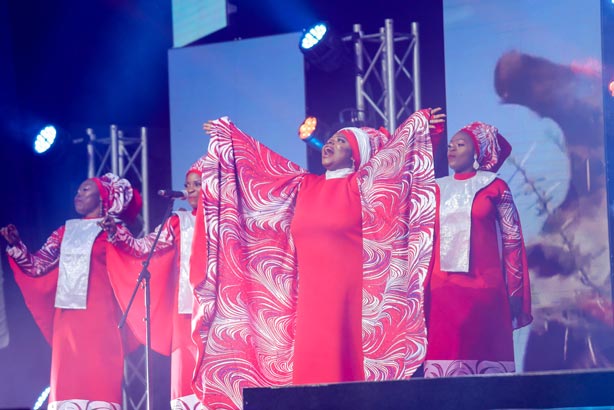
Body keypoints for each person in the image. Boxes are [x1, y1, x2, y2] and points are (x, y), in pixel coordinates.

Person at [189, 108, 445, 408]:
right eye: (331, 139)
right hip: (308, 303)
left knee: (346, 380)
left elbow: (402, 166)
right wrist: (230, 137)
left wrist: (424, 129)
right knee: (309, 377)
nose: (331, 143)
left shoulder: (365, 187)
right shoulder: (303, 186)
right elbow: (260, 167)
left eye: (341, 141)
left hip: (350, 304)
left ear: (357, 154)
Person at [0, 173, 142, 409]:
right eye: (77, 191)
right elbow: (37, 266)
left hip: (101, 318)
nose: (78, 194)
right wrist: (17, 245)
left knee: (100, 383)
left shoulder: (114, 229)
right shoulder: (65, 231)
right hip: (67, 320)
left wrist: (115, 236)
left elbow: (134, 259)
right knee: (68, 385)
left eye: (85, 190)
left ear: (102, 197)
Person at [423, 121, 532, 378]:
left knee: (487, 370)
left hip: (485, 290)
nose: (452, 149)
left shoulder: (496, 186)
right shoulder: (435, 188)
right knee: (445, 369)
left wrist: (515, 291)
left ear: (476, 152)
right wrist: (432, 135)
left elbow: (512, 241)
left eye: (460, 144)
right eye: (450, 145)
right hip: (442, 291)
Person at [101, 165, 203, 409]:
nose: (190, 189)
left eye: (197, 184)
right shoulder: (178, 221)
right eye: (187, 185)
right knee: (188, 378)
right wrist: (117, 232)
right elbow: (143, 248)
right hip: (187, 310)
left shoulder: (226, 219)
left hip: (221, 310)